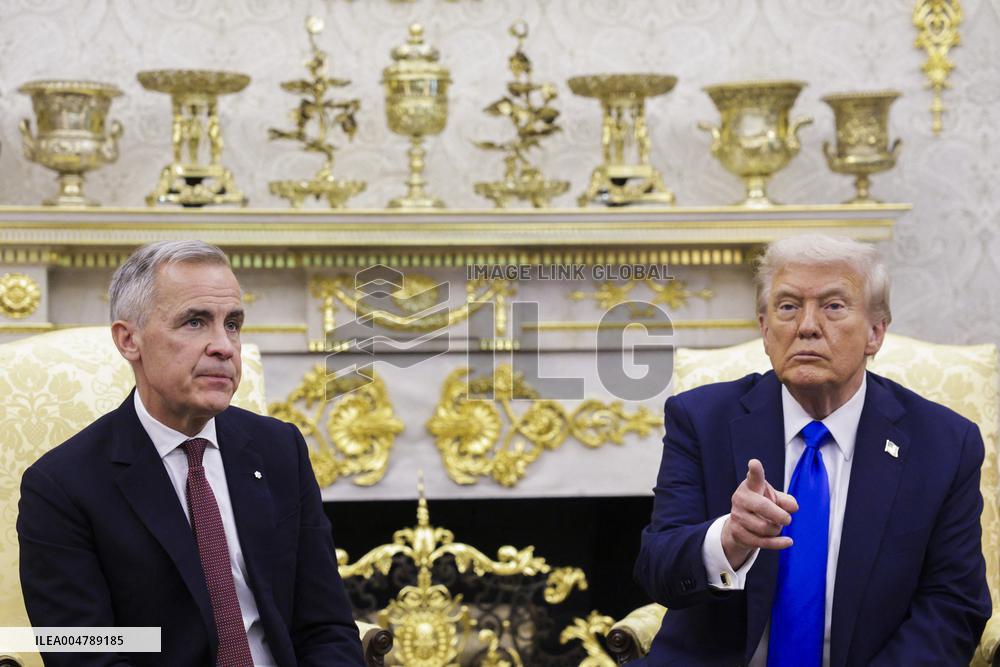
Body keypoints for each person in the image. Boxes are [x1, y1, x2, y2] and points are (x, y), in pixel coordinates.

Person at [634, 234, 991, 666]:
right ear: (765, 330)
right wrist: (728, 541)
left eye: (833, 306)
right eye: (787, 307)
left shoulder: (943, 444)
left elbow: (953, 605)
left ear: (875, 332)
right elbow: (657, 570)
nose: (806, 326)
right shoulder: (701, 419)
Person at [17, 241, 364, 666]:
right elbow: (87, 654)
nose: (224, 346)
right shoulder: (61, 487)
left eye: (232, 324)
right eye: (195, 322)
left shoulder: (280, 449)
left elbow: (327, 627)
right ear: (129, 340)